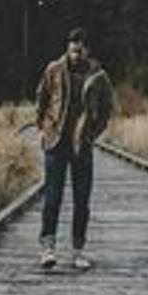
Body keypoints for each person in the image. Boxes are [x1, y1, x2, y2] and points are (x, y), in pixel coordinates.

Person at [33, 25, 114, 271]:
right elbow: (42, 98)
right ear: (67, 48)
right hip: (55, 142)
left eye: (80, 51)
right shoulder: (54, 70)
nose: (76, 55)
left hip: (82, 146)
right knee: (53, 197)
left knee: (82, 199)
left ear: (87, 50)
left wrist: (92, 134)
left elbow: (107, 109)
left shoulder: (99, 77)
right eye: (72, 50)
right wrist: (42, 128)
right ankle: (48, 248)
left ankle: (78, 251)